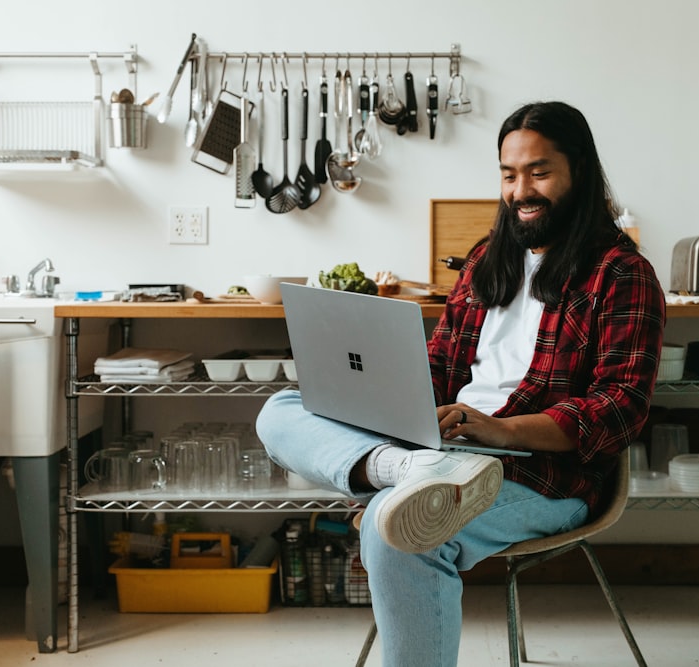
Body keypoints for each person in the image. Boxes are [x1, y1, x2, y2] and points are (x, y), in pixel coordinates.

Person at [256, 100, 665, 667]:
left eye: (539, 172)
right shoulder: (484, 261)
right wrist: (377, 387)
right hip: (439, 451)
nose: (520, 190)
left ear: (579, 171)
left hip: (541, 474)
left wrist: (499, 431)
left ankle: (406, 482)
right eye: (508, 174)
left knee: (392, 524)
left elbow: (620, 408)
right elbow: (441, 367)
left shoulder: (621, 273)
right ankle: (404, 469)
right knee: (281, 406)